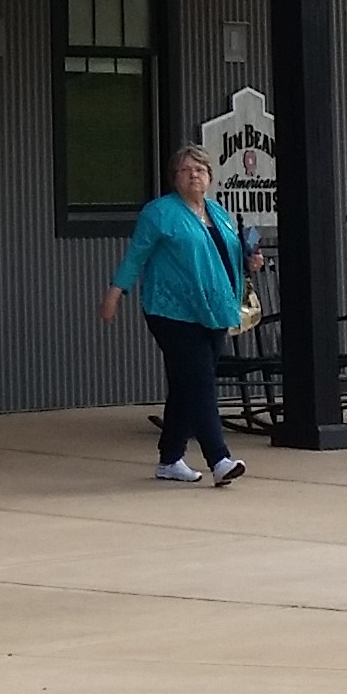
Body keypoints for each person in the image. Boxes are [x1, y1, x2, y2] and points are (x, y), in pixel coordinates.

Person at [102, 145, 252, 488]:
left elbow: (228, 255)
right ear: (174, 178)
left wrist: (249, 261)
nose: (193, 175)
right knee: (200, 381)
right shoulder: (159, 213)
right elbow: (136, 256)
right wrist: (115, 293)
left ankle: (170, 459)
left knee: (187, 384)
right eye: (185, 170)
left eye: (200, 169)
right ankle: (219, 459)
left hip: (213, 310)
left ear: (210, 176)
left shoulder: (218, 213)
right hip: (172, 310)